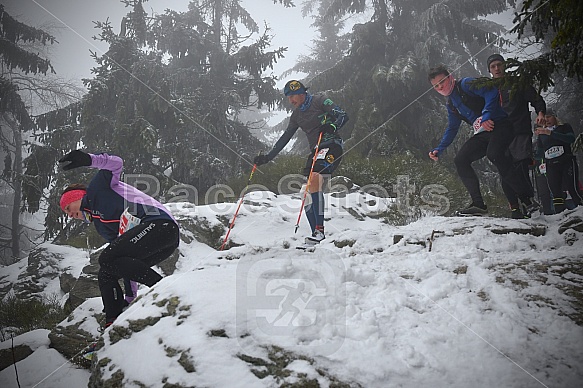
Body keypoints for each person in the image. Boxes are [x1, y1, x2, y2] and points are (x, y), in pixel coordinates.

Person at [59, 150, 180, 328]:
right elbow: (125, 263)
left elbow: (116, 163)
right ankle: (113, 320)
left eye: (68, 208)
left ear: (78, 196)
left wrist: (89, 159)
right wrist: (130, 298)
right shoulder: (101, 225)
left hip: (160, 225)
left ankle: (163, 290)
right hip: (162, 244)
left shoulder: (97, 189)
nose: (70, 215)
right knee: (107, 271)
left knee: (106, 258)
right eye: (66, 213)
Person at [428, 65, 539, 216]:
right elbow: (452, 128)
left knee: (494, 154)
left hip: (501, 125)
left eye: (442, 81)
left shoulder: (466, 84)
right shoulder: (451, 104)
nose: (440, 87)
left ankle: (527, 200)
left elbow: (492, 91)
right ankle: (478, 204)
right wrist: (439, 149)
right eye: (436, 86)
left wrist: (486, 115)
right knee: (461, 160)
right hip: (483, 133)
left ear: (450, 77)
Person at [253, 80, 348, 243]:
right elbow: (284, 138)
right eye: (288, 97)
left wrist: (332, 126)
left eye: (292, 96)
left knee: (316, 179)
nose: (290, 101)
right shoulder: (296, 116)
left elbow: (343, 115)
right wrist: (268, 157)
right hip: (316, 151)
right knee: (305, 192)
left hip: (331, 144)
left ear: (302, 93)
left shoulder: (320, 100)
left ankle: (319, 231)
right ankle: (316, 235)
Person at [487, 53, 547, 218]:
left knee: (520, 166)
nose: (497, 68)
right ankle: (515, 208)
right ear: (490, 70)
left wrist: (540, 112)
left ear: (505, 66)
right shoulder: (488, 88)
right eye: (493, 66)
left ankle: (529, 203)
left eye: (499, 65)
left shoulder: (517, 82)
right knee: (505, 169)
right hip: (499, 133)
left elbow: (536, 98)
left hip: (519, 130)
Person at [534, 110, 583, 213]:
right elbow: (540, 153)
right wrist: (530, 154)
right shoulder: (541, 135)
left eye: (549, 117)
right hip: (551, 165)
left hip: (566, 161)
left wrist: (551, 133)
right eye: (545, 118)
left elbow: (570, 138)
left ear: (555, 117)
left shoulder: (564, 127)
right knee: (556, 192)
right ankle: (560, 216)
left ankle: (580, 208)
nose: (546, 120)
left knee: (572, 187)